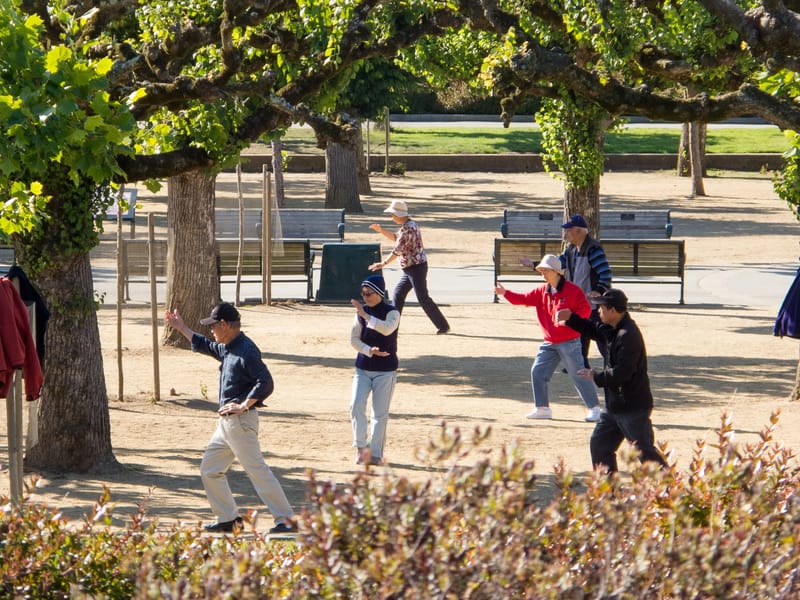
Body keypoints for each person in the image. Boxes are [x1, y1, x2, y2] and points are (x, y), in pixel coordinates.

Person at [164, 302, 295, 534]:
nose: (211, 330)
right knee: (210, 470)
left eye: (213, 326)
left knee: (258, 471)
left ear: (224, 325)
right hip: (226, 426)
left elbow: (266, 382)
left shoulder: (246, 349)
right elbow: (205, 344)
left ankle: (286, 520)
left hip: (241, 423)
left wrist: (244, 405)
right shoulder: (228, 346)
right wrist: (181, 327)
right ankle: (228, 519)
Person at [557, 288, 668, 473]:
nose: (598, 311)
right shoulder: (614, 329)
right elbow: (595, 330)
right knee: (600, 445)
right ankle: (608, 494)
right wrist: (571, 319)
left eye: (601, 308)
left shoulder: (628, 335)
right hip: (614, 407)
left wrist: (596, 376)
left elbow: (623, 373)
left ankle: (671, 489)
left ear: (613, 310)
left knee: (644, 452)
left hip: (633, 407)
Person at [494, 254, 601, 422]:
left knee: (578, 374)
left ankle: (595, 408)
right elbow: (522, 299)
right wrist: (505, 293)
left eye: (546, 270)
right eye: (541, 270)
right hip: (549, 342)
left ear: (557, 272)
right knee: (537, 372)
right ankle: (542, 408)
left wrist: (571, 321)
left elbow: (585, 309)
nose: (542, 273)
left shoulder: (572, 290)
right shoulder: (541, 291)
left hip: (569, 341)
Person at [368, 199, 450, 334]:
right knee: (398, 294)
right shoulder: (409, 225)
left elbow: (398, 249)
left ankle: (443, 326)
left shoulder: (408, 228)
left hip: (416, 268)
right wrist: (381, 230)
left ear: (399, 215)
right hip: (411, 268)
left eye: (393, 214)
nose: (391, 217)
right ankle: (392, 326)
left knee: (422, 297)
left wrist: (383, 263)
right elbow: (396, 238)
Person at [349, 274, 400, 466]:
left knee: (379, 414)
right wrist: (368, 350)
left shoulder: (392, 312)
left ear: (379, 293)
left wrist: (365, 315)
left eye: (369, 293)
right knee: (355, 406)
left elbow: (387, 329)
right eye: (363, 293)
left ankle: (376, 453)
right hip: (363, 368)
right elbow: (354, 339)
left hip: (386, 371)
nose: (365, 297)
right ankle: (361, 449)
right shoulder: (361, 313)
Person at [559, 214, 612, 367]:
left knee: (602, 338)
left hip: (594, 305)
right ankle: (579, 367)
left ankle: (612, 367)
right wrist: (537, 264)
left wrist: (598, 290)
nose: (566, 234)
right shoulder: (571, 250)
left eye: (568, 231)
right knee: (579, 337)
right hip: (578, 304)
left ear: (578, 231)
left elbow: (605, 273)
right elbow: (557, 264)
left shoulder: (593, 249)